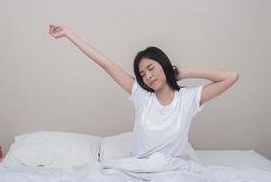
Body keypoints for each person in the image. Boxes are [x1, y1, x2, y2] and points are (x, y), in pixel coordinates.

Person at [49, 24, 239, 159]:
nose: (147, 76)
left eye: (151, 68)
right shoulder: (141, 95)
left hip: (171, 170)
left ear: (164, 65)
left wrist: (183, 73)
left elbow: (231, 76)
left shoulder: (188, 99)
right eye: (142, 73)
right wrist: (67, 33)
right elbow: (105, 63)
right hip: (138, 168)